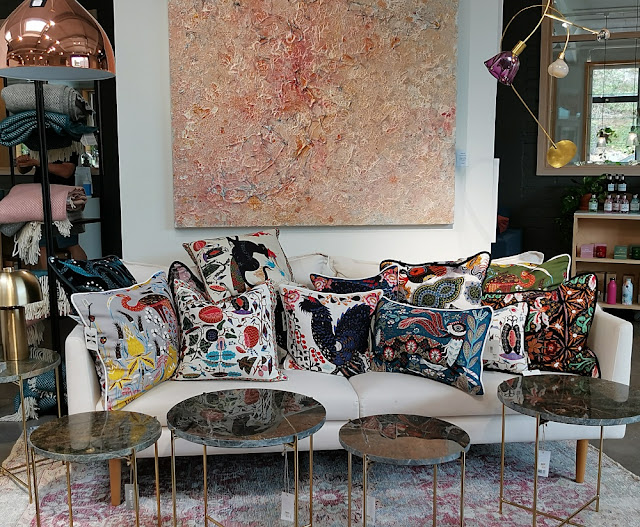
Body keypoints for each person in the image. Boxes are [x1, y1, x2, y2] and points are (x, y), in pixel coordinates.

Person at [16, 153, 87, 268]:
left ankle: (84, 272)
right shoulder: (37, 148)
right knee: (42, 244)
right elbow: (23, 170)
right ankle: (49, 276)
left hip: (64, 200)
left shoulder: (68, 147)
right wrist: (23, 162)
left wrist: (38, 162)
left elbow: (66, 171)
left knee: (70, 243)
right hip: (41, 199)